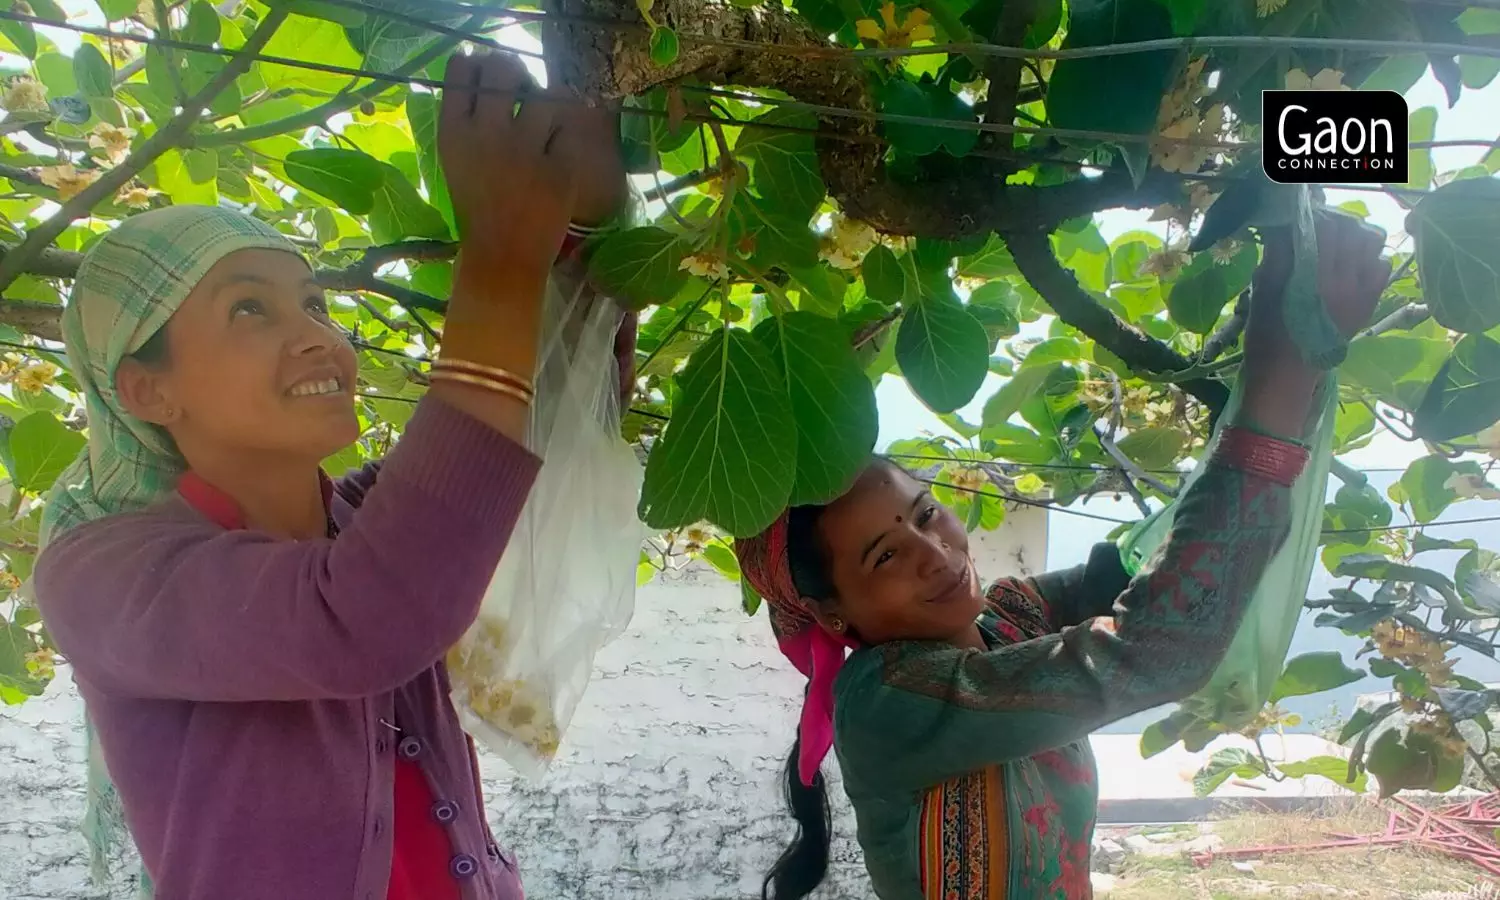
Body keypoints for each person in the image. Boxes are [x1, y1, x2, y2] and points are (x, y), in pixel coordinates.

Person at [31, 50, 627, 900]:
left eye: (313, 304)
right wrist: (495, 254)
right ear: (146, 390)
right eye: (250, 309)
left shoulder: (371, 519)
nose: (315, 335)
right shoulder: (103, 574)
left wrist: (585, 226)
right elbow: (366, 611)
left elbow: (550, 427)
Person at [737, 212, 1391, 900]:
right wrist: (1275, 388)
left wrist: (1294, 362)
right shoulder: (883, 699)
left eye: (927, 514)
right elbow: (1153, 650)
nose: (934, 553)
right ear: (833, 616)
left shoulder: (1010, 619)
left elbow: (1150, 572)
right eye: (884, 557)